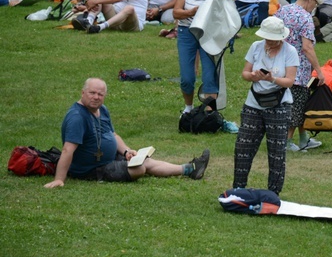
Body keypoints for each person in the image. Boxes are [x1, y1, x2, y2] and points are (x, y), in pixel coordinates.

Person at [44, 78, 210, 188]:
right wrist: (59, 179)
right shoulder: (77, 117)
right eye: (92, 93)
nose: (96, 97)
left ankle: (190, 169)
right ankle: (188, 169)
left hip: (109, 158)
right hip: (93, 168)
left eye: (100, 94)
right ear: (83, 93)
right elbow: (67, 150)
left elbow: (113, 135)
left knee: (145, 160)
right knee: (139, 169)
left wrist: (126, 151)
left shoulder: (101, 109)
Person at [233, 16, 299, 194]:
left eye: (273, 38)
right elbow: (244, 73)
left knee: (277, 152)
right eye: (267, 37)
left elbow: (290, 82)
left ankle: (273, 193)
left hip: (279, 106)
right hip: (253, 103)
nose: (269, 41)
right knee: (242, 147)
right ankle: (238, 189)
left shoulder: (290, 51)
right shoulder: (256, 46)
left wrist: (273, 79)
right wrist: (253, 76)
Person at [275, 0, 327, 151]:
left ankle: (304, 138)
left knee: (300, 104)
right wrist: (319, 70)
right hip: (298, 69)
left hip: (279, 65)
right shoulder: (305, 18)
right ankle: (288, 142)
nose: (314, 8)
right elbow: (307, 47)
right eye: (316, 4)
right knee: (296, 105)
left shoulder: (282, 11)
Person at [172, 0, 224, 113]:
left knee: (209, 74)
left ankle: (209, 112)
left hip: (207, 33)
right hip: (186, 31)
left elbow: (221, 14)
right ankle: (188, 107)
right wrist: (191, 12)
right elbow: (176, 13)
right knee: (187, 77)